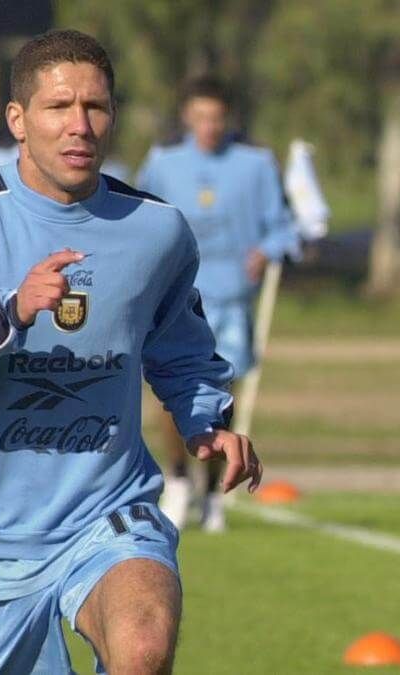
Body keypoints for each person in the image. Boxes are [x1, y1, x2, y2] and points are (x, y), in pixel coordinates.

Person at [0, 30, 261, 673]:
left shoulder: (156, 229)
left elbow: (183, 352)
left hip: (109, 511)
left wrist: (206, 422)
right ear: (17, 120)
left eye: (95, 106)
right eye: (58, 107)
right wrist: (9, 312)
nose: (80, 125)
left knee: (142, 648)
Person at [137, 75, 298, 532]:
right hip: (176, 299)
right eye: (201, 117)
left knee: (223, 399)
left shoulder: (256, 164)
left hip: (230, 299)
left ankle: (212, 490)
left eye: (217, 118)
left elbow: (283, 226)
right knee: (171, 393)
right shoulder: (163, 163)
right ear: (188, 117)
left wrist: (266, 250)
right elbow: (138, 215)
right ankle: (178, 479)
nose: (209, 126)